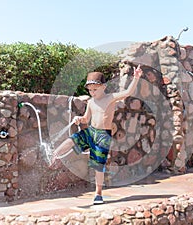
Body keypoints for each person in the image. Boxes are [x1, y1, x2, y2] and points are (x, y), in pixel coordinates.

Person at [51, 64, 143, 205]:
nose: (92, 93)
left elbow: (127, 92)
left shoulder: (111, 98)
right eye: (90, 90)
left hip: (102, 136)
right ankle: (54, 154)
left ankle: (98, 194)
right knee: (71, 140)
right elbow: (86, 119)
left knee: (98, 166)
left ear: (103, 87)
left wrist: (136, 78)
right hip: (91, 131)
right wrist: (79, 119)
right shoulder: (91, 102)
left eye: (95, 89)